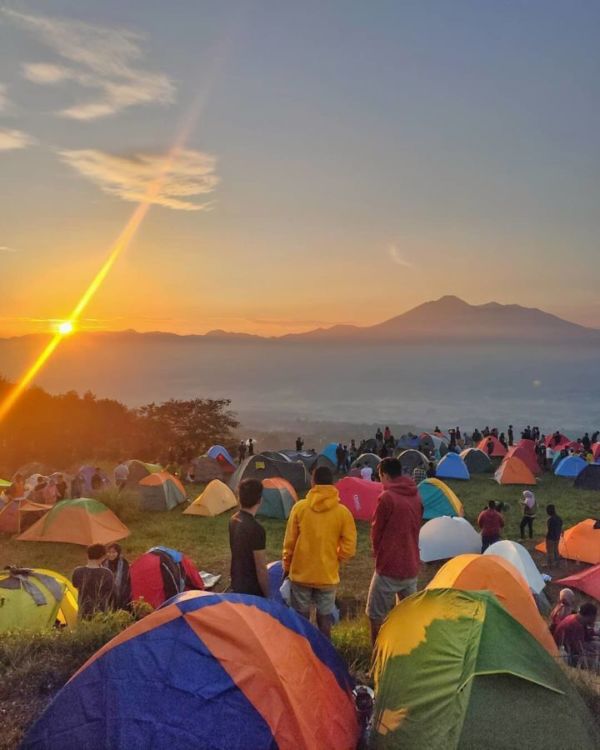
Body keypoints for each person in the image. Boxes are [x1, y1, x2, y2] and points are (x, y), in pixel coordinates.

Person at [282, 466, 356, 638]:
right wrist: (335, 559)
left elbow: (289, 542)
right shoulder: (343, 513)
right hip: (327, 576)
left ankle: (304, 653)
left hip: (301, 575)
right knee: (324, 620)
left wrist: (287, 566)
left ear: (312, 482)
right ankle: (325, 655)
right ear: (333, 484)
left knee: (302, 618)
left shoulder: (300, 508)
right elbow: (349, 547)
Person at [366, 458, 422, 645]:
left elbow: (376, 532)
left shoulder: (387, 498)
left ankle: (377, 660)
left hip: (389, 566)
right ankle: (403, 652)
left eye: (380, 477)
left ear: (385, 475)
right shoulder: (416, 495)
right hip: (411, 564)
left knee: (375, 615)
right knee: (407, 616)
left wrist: (377, 554)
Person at [229, 479, 269, 597]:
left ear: (239, 498)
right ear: (259, 500)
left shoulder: (233, 519)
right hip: (251, 589)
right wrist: (267, 595)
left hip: (237, 580)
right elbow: (261, 568)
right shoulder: (256, 529)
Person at [72, 544, 114, 619]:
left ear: (87, 555)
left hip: (83, 611)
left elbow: (75, 585)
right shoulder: (107, 573)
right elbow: (110, 592)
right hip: (101, 612)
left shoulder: (77, 571)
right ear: (103, 557)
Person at [553, 603, 598, 667]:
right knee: (596, 664)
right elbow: (578, 651)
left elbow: (586, 637)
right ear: (590, 616)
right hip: (566, 654)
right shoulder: (575, 625)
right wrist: (594, 654)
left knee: (597, 645)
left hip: (573, 648)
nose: (594, 619)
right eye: (594, 617)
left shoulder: (577, 618)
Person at [102, 543, 131, 610]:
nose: (111, 554)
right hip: (106, 594)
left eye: (113, 552)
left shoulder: (124, 563)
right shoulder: (103, 563)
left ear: (118, 553)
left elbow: (125, 580)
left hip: (121, 592)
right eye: (109, 552)